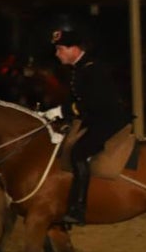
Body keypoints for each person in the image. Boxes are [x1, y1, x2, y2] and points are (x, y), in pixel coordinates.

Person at [44, 27, 131, 225]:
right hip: (92, 118)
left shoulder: (92, 68)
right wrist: (56, 113)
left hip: (107, 120)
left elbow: (95, 103)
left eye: (60, 49)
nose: (57, 54)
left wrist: (62, 112)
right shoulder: (80, 69)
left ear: (73, 48)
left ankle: (79, 209)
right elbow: (77, 100)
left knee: (78, 153)